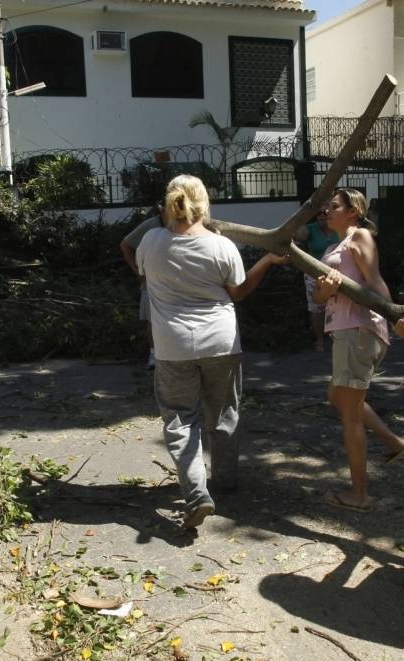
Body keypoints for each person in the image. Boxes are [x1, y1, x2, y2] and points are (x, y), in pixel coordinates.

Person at [136, 175, 287, 529]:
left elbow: (142, 272)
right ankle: (226, 481)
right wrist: (267, 260)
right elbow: (238, 291)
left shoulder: (151, 241)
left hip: (172, 346)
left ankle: (196, 492)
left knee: (179, 420)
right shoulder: (221, 246)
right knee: (223, 412)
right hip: (220, 341)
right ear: (205, 204)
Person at [312, 188, 404, 513]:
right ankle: (393, 442)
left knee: (350, 413)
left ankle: (360, 495)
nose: (327, 210)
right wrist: (325, 291)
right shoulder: (334, 246)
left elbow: (375, 282)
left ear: (353, 211)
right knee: (337, 396)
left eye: (334, 206)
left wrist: (395, 315)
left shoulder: (361, 237)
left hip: (357, 331)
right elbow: (319, 297)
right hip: (345, 331)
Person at [119, 211, 163, 370]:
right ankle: (154, 354)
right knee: (151, 318)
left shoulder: (183, 224)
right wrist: (138, 271)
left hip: (174, 281)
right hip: (151, 280)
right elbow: (125, 245)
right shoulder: (151, 226)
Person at [294, 208, 340, 352]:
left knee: (338, 305)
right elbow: (298, 235)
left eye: (325, 213)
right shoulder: (310, 229)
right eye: (318, 213)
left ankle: (337, 336)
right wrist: (304, 214)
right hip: (314, 274)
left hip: (338, 274)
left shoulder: (339, 227)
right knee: (316, 308)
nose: (321, 216)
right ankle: (319, 339)